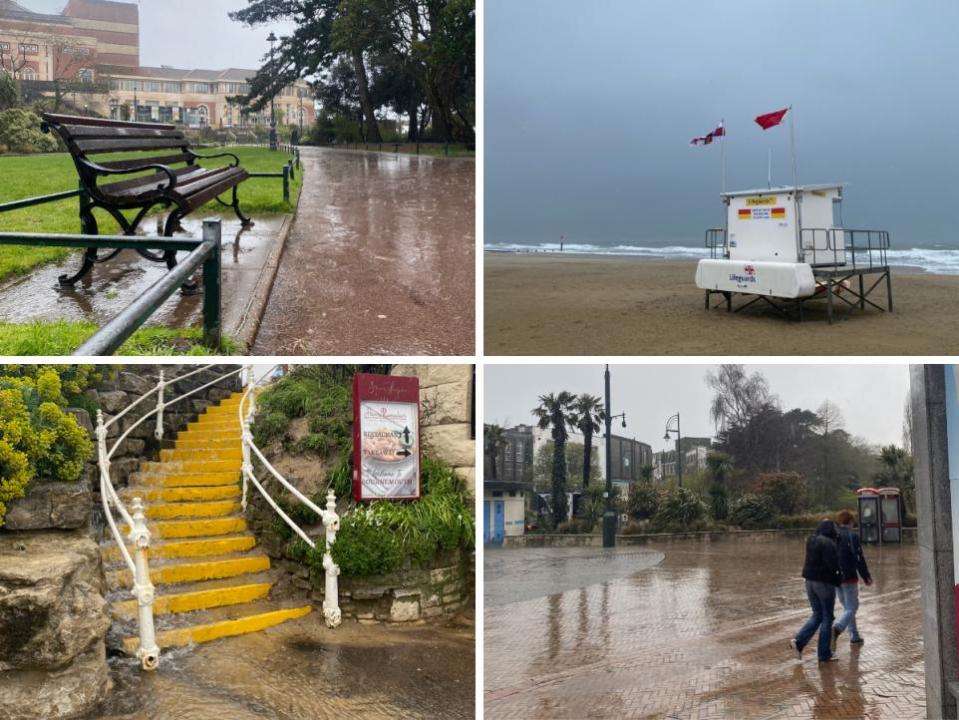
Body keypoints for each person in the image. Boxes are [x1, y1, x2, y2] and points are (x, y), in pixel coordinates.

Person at [790, 519, 843, 662]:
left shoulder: (811, 540)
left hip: (809, 582)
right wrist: (839, 580)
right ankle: (824, 654)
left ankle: (799, 642)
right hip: (824, 584)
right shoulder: (829, 544)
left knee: (817, 614)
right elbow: (833, 566)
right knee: (827, 617)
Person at [832, 509, 872, 647]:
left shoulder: (833, 535)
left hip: (835, 577)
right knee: (852, 606)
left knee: (847, 608)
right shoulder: (852, 536)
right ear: (850, 521)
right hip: (849, 576)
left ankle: (854, 635)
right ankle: (837, 628)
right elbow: (858, 558)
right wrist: (866, 576)